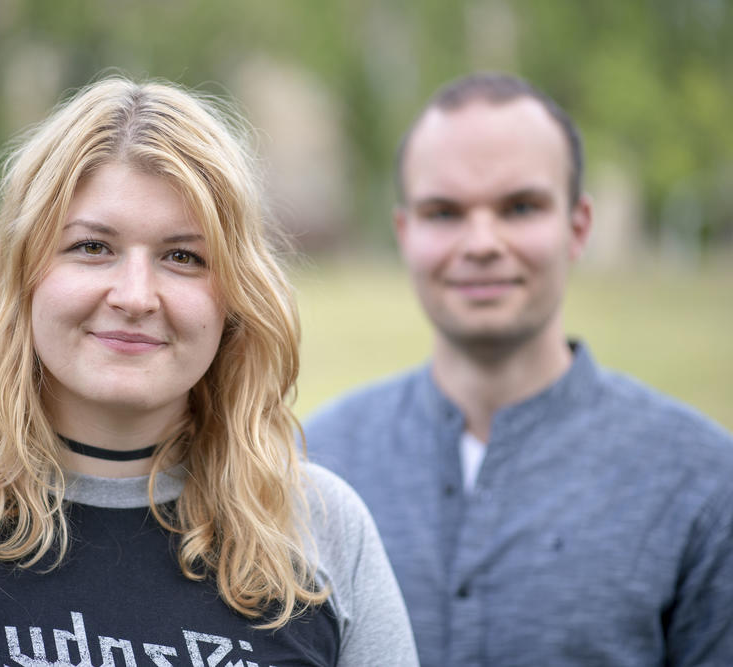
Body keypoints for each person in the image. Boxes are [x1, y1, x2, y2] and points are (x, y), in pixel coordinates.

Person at [0, 77, 418, 666]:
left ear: (235, 300)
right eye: (92, 247)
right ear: (24, 276)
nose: (136, 296)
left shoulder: (322, 532)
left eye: (184, 256)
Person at [303, 72, 733, 666]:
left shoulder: (705, 483)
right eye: (445, 212)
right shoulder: (312, 467)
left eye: (521, 207)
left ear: (577, 227)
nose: (482, 242)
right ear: (406, 233)